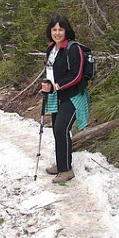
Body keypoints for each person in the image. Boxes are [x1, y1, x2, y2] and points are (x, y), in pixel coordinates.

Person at [40, 15, 90, 183]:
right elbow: (50, 72)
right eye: (54, 29)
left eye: (60, 29)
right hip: (57, 96)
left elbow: (76, 75)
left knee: (61, 128)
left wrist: (57, 85)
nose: (57, 33)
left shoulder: (73, 49)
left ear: (66, 30)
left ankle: (66, 170)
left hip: (74, 96)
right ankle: (62, 165)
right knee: (57, 130)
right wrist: (48, 85)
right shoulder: (51, 49)